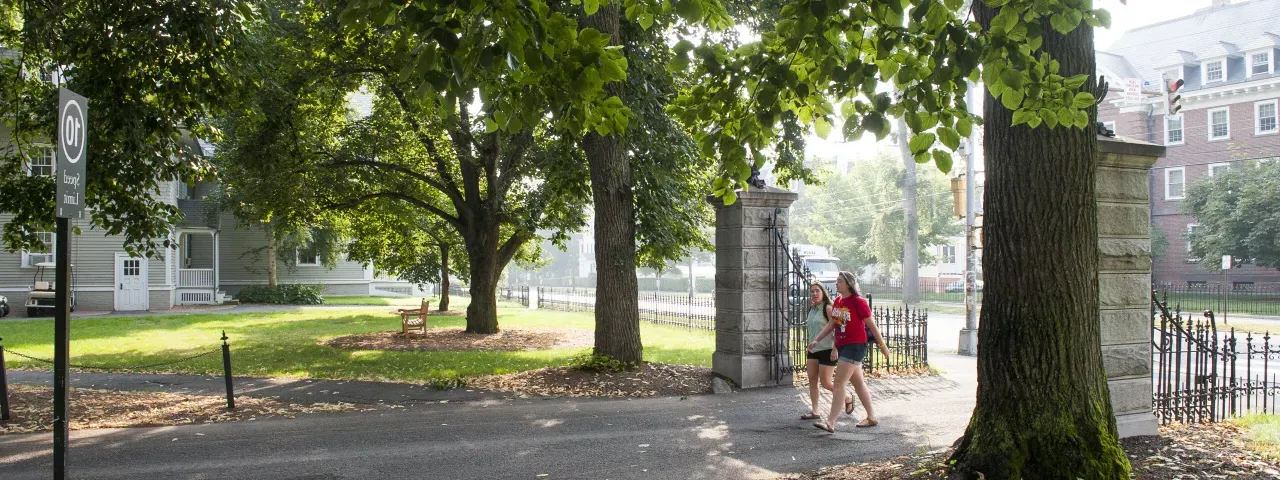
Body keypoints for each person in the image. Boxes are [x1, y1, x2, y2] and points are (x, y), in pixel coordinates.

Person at [808, 271, 890, 432]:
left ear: (848, 284)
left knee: (839, 383)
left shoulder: (858, 302)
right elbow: (832, 324)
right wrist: (817, 340)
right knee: (858, 383)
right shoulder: (838, 301)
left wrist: (883, 346)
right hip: (844, 345)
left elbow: (872, 326)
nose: (836, 284)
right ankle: (872, 417)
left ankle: (830, 422)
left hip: (855, 346)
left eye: (839, 281)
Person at [800, 282, 852, 420]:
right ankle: (815, 411)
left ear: (823, 292)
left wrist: (835, 348)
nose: (814, 293)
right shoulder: (813, 309)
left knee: (825, 382)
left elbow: (839, 327)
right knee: (812, 381)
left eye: (817, 291)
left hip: (828, 349)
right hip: (813, 349)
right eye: (812, 291)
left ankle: (847, 397)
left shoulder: (828, 308)